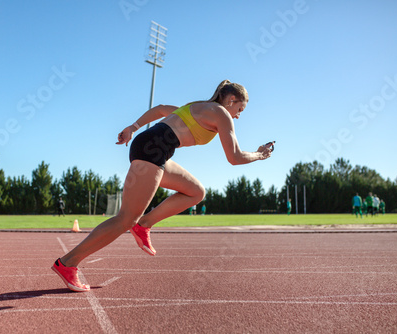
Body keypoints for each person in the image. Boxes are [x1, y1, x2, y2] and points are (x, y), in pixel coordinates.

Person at [51, 80, 273, 291]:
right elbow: (234, 157)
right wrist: (260, 155)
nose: (238, 116)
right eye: (240, 110)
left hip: (153, 147)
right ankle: (68, 263)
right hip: (154, 150)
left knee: (196, 192)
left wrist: (133, 126)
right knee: (125, 219)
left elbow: (159, 109)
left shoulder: (195, 107)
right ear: (231, 99)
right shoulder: (222, 113)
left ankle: (144, 224)